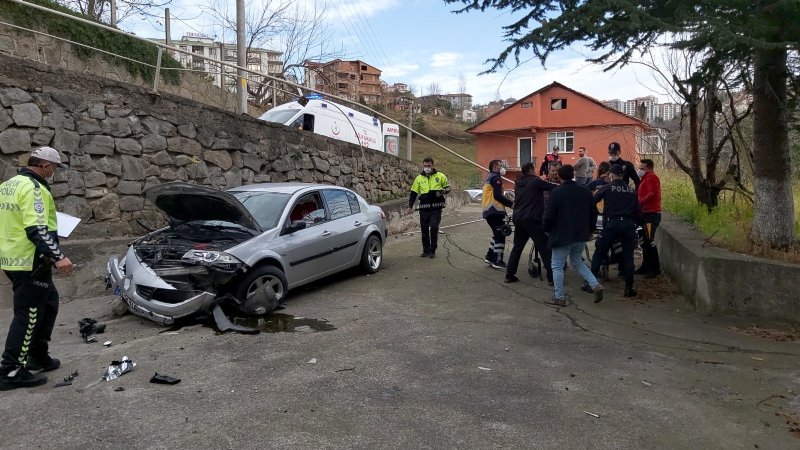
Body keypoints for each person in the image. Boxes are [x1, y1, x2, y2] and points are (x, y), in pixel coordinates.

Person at [0, 146, 74, 391]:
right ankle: (10, 369)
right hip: (29, 259)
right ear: (45, 166)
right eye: (54, 168)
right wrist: (58, 256)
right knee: (29, 313)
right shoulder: (35, 189)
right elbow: (37, 228)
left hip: (12, 257)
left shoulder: (9, 185)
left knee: (49, 301)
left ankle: (37, 355)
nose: (54, 173)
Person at [542, 165, 604, 306]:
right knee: (577, 261)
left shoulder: (556, 193)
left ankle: (559, 297)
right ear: (573, 175)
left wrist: (545, 229)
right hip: (580, 234)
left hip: (561, 235)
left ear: (560, 176)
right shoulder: (586, 192)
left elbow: (549, 215)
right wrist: (590, 230)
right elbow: (593, 213)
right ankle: (595, 284)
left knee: (557, 266)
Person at [590, 164, 641, 298]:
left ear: (611, 175)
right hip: (628, 225)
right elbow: (638, 212)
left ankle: (590, 283)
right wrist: (633, 225)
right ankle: (628, 288)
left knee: (600, 252)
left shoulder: (607, 187)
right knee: (628, 256)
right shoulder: (631, 191)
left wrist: (597, 215)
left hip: (611, 224)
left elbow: (592, 201)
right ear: (623, 176)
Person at [504, 162, 559, 285]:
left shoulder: (518, 183)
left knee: (517, 248)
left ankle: (509, 274)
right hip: (532, 219)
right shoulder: (535, 181)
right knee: (544, 247)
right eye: (534, 170)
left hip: (519, 218)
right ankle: (552, 278)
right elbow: (552, 187)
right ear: (531, 170)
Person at [407, 157, 450, 258]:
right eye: (425, 166)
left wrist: (442, 191)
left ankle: (432, 249)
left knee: (434, 227)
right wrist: (410, 205)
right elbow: (413, 193)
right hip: (424, 207)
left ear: (433, 166)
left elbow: (448, 188)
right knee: (424, 229)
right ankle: (426, 249)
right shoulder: (419, 178)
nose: (426, 168)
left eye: (428, 166)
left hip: (436, 207)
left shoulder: (440, 176)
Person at [482, 159, 514, 269]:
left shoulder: (489, 177)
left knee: (496, 233)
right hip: (495, 210)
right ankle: (497, 260)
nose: (503, 168)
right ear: (496, 166)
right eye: (501, 165)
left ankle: (490, 256)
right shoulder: (496, 178)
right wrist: (511, 204)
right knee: (501, 233)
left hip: (488, 211)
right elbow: (497, 196)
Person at [635, 158, 662, 278]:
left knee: (649, 241)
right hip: (644, 214)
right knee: (644, 241)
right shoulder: (644, 178)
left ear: (649, 168)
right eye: (639, 168)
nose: (639, 170)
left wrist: (640, 202)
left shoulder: (651, 177)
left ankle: (654, 268)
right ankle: (645, 266)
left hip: (651, 215)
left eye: (642, 168)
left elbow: (652, 193)